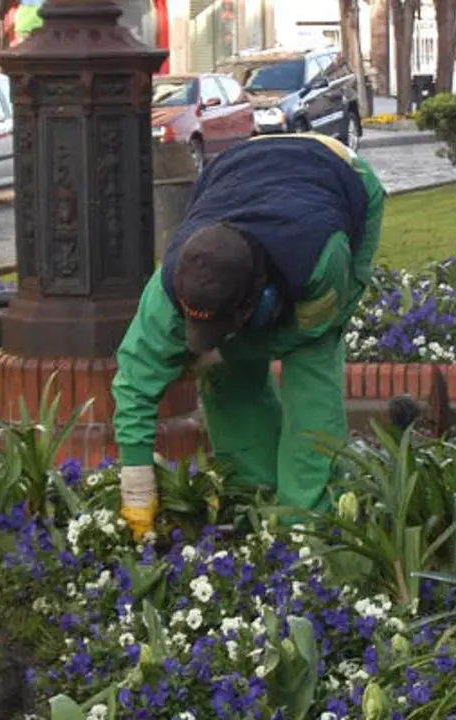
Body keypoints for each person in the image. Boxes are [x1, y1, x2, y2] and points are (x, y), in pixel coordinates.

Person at [111, 133, 386, 540]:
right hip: (239, 172)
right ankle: (255, 496)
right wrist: (136, 490)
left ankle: (305, 524)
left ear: (257, 297)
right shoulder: (173, 284)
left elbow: (310, 329)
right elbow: (134, 383)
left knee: (312, 371)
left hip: (338, 175)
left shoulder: (319, 260)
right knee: (221, 374)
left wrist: (230, 351)